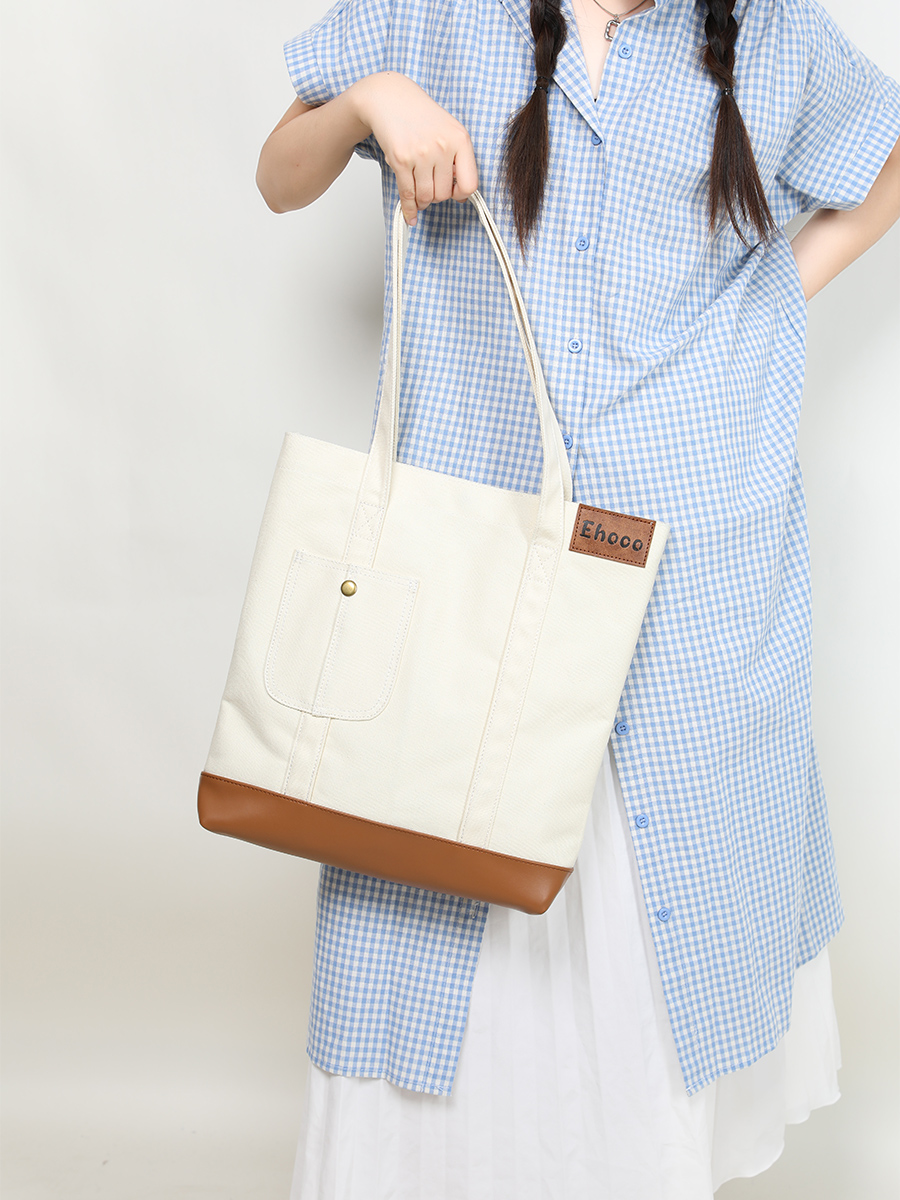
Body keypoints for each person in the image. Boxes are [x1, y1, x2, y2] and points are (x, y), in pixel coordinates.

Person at [256, 0, 900, 1194]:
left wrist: (764, 308)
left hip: (689, 537)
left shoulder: (772, 32)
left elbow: (884, 154)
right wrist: (370, 102)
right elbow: (280, 177)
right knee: (439, 878)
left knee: (661, 891)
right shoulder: (437, 12)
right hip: (472, 535)